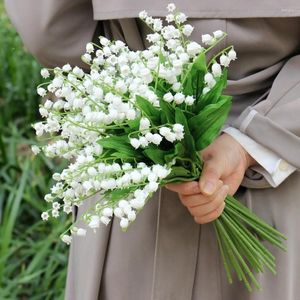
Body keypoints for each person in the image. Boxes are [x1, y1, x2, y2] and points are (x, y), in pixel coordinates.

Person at [5, 1, 300, 299]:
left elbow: (47, 29)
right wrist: (256, 139)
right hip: (277, 169)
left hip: (131, 165)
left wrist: (120, 92)